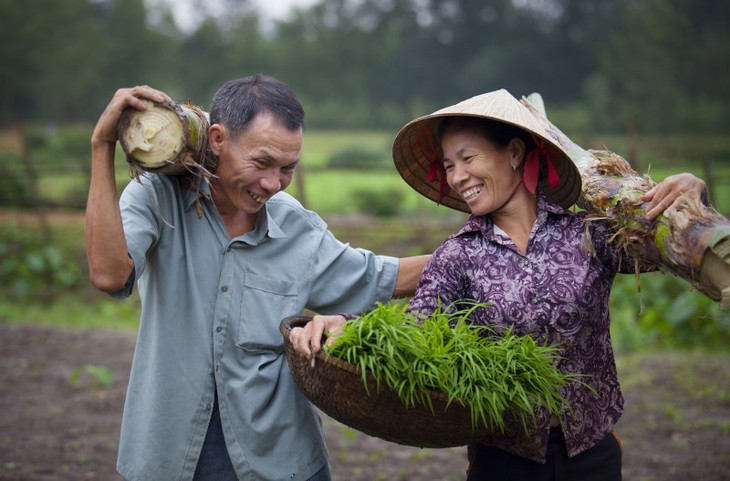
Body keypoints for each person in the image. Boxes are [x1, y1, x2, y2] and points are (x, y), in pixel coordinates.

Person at [290, 89, 707, 480]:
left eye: (468, 158)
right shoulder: (458, 255)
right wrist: (347, 327)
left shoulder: (588, 233)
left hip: (592, 451)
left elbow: (680, 252)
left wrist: (692, 196)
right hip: (504, 458)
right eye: (449, 166)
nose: (457, 176)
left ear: (513, 153)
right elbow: (411, 334)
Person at [84, 74, 429, 481]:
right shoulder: (157, 197)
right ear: (216, 139)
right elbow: (109, 274)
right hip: (172, 452)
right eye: (262, 162)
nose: (272, 183)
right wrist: (103, 146)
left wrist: (478, 252)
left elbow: (380, 277)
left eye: (288, 168)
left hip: (280, 459)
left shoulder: (296, 226)